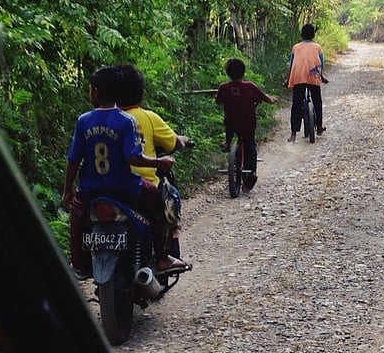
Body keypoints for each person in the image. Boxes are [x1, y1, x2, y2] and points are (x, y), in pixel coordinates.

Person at [62, 66, 187, 279]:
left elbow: (74, 160)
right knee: (160, 202)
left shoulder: (83, 120)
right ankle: (163, 258)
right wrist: (159, 162)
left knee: (77, 219)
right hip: (126, 188)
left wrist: (67, 190)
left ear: (96, 92)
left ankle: (79, 264)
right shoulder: (126, 121)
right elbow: (132, 158)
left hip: (91, 190)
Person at [116, 64, 192, 260]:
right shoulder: (148, 118)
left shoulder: (101, 118)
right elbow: (173, 142)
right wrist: (182, 140)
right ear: (140, 92)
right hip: (141, 186)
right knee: (170, 196)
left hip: (105, 187)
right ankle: (164, 255)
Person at [215, 57, 276, 192]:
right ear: (243, 72)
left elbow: (218, 101)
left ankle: (227, 142)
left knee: (229, 123)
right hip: (248, 123)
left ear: (228, 73)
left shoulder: (223, 87)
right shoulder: (250, 86)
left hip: (231, 122)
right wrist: (271, 99)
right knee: (250, 144)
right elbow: (264, 97)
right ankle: (252, 172)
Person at [285, 23, 327, 142]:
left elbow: (292, 64)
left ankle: (293, 135)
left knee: (296, 104)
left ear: (301, 34)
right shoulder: (317, 47)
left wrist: (288, 79)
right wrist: (322, 77)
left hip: (298, 77)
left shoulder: (296, 47)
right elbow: (321, 64)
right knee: (317, 101)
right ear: (313, 35)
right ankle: (319, 127)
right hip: (313, 75)